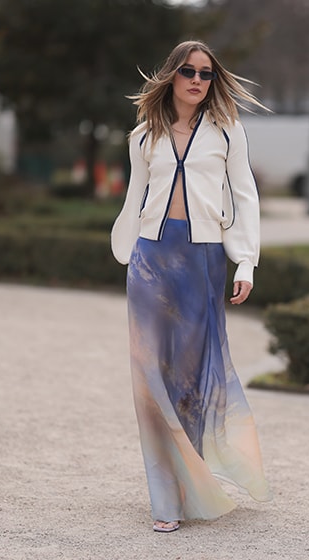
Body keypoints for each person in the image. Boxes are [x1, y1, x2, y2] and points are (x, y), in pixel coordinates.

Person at [109, 40, 272, 534]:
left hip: (202, 261)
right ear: (171, 76)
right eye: (188, 71)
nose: (197, 80)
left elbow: (245, 196)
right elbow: (136, 196)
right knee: (148, 379)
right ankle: (165, 499)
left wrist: (246, 263)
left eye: (205, 73)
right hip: (150, 261)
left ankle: (191, 482)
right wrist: (126, 251)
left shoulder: (228, 132)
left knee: (190, 380)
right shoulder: (143, 136)